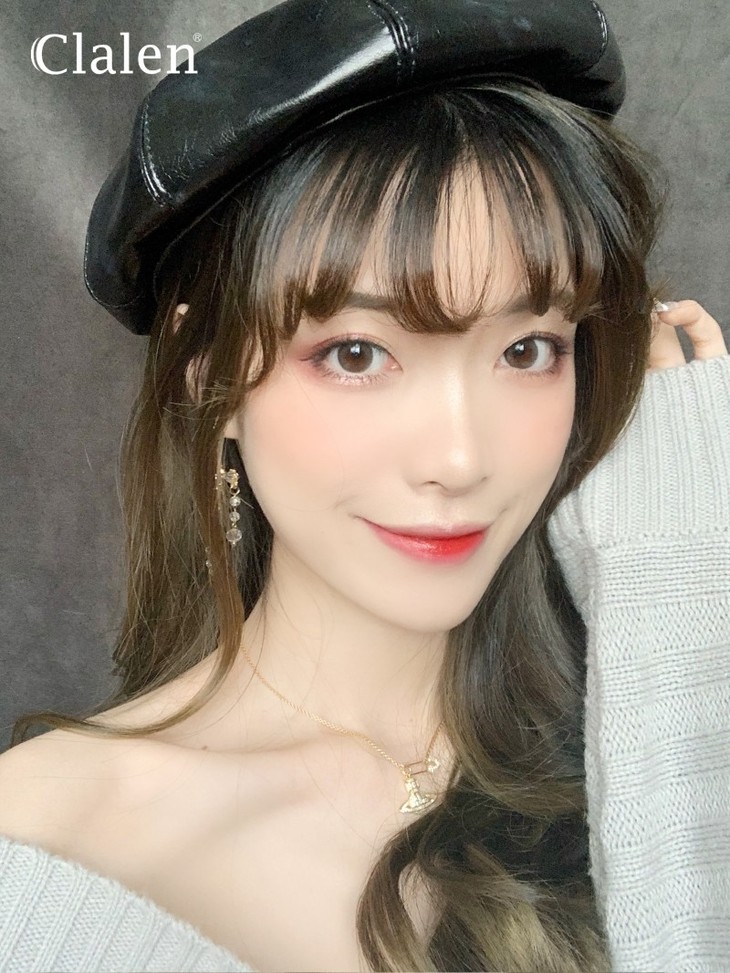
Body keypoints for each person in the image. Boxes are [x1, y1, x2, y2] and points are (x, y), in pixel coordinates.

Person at [0, 1, 728, 971]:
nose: (460, 458)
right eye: (356, 354)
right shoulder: (40, 846)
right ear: (206, 371)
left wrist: (676, 545)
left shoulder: (665, 717)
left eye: (526, 349)